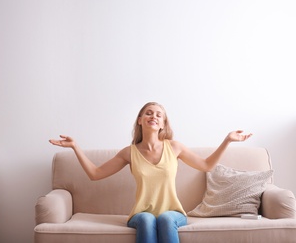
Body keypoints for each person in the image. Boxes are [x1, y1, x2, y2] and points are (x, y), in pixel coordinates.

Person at [49, 102, 252, 243]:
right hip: (140, 213)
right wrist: (75, 147)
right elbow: (95, 174)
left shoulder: (174, 147)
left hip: (173, 213)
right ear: (139, 120)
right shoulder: (129, 153)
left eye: (158, 114)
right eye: (148, 112)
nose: (153, 116)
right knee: (147, 219)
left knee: (164, 219)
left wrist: (227, 141)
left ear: (163, 124)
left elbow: (207, 165)